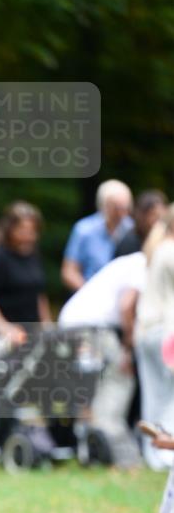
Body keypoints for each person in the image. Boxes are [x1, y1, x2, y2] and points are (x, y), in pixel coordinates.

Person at [0, 201, 51, 445]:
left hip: (31, 332)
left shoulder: (32, 256)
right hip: (4, 336)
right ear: (10, 230)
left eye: (32, 230)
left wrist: (47, 324)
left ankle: (30, 435)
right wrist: (2, 326)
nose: (28, 235)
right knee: (5, 382)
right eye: (23, 229)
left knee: (34, 379)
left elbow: (38, 293)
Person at [58, 252, 147, 467]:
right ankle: (115, 448)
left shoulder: (126, 262)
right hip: (93, 328)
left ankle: (89, 449)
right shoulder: (143, 264)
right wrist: (128, 346)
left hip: (71, 324)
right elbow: (126, 305)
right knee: (119, 380)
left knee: (88, 390)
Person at [134, 205, 174, 470]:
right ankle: (168, 452)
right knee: (170, 396)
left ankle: (154, 456)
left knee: (153, 395)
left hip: (146, 330)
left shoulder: (157, 249)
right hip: (167, 331)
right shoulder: (170, 251)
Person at [61, 179, 133, 291]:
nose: (121, 213)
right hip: (90, 294)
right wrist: (90, 292)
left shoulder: (132, 229)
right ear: (103, 205)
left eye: (125, 208)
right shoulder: (84, 230)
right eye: (117, 208)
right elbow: (68, 272)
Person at [114, 189, 167, 258]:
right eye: (154, 215)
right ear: (142, 216)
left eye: (160, 216)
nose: (158, 221)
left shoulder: (164, 238)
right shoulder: (129, 243)